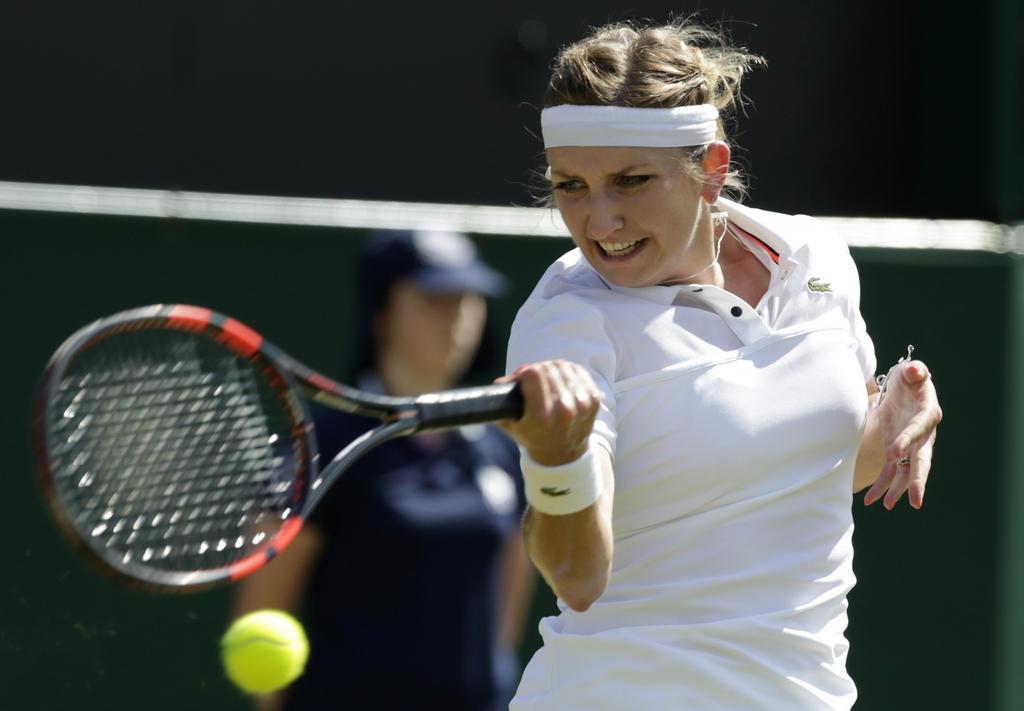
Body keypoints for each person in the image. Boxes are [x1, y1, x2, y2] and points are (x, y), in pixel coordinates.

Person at [494, 19, 942, 710]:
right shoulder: (568, 321)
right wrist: (559, 462)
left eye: (630, 181)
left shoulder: (815, 257)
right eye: (571, 186)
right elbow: (578, 579)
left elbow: (820, 469)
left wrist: (893, 414)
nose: (599, 220)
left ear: (711, 169)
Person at [230, 229, 535, 711]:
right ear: (382, 314)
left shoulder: (502, 452)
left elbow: (504, 613)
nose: (456, 317)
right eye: (434, 299)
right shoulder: (323, 449)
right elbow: (263, 606)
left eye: (468, 300)